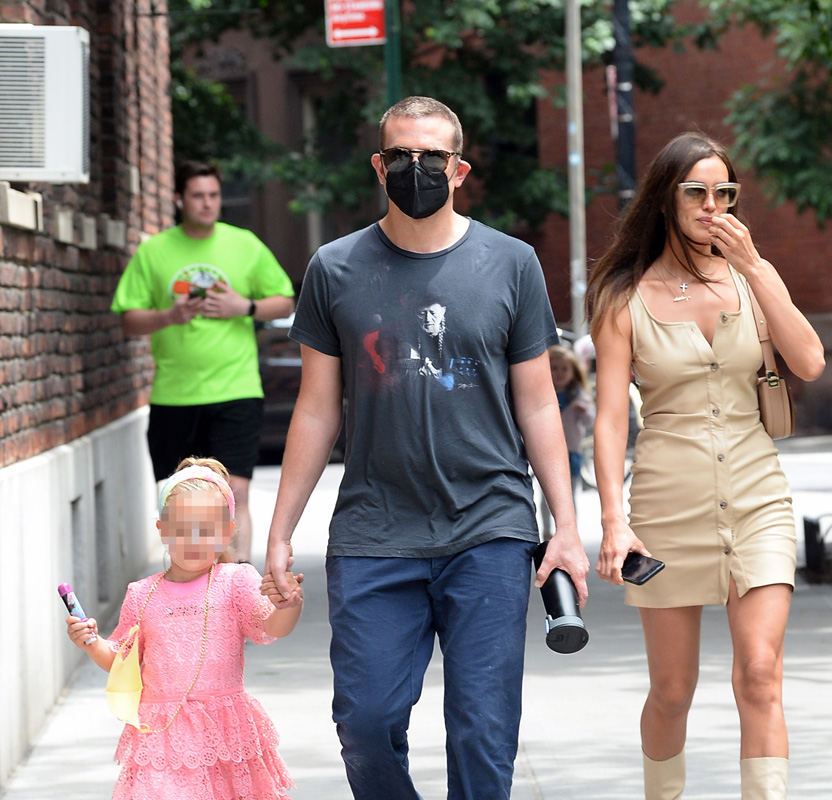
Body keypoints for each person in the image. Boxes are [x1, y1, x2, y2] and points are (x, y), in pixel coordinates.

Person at [264, 95, 589, 800]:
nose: (418, 169)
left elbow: (537, 402)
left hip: (490, 527)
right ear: (380, 165)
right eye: (402, 156)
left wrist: (564, 528)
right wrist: (280, 531)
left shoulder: (512, 263)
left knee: (482, 729)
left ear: (460, 168)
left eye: (432, 157)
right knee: (367, 722)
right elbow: (317, 410)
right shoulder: (335, 267)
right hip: (375, 530)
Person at [586, 132, 825, 799]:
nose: (713, 205)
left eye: (725, 192)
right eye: (697, 192)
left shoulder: (752, 278)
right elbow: (609, 418)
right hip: (666, 504)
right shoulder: (621, 298)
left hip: (758, 496)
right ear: (666, 199)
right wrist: (612, 522)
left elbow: (809, 361)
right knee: (670, 690)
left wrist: (756, 269)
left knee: (759, 670)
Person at [66, 456, 304, 799]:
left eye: (206, 529)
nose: (193, 539)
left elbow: (272, 626)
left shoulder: (235, 581)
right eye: (181, 528)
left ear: (227, 532)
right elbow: (122, 661)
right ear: (162, 529)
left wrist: (288, 604)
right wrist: (91, 642)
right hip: (160, 736)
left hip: (223, 732)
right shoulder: (142, 593)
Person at [111, 161, 296, 561]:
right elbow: (128, 319)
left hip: (236, 390)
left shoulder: (244, 244)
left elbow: (284, 300)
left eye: (213, 195)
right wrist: (168, 316)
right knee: (180, 501)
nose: (208, 203)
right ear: (179, 198)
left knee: (235, 492)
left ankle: (238, 584)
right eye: (198, 195)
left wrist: (242, 305)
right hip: (174, 396)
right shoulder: (154, 251)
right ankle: (194, 593)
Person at [538, 344, 595, 537]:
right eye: (554, 368)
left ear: (573, 371)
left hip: (571, 455)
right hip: (547, 455)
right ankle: (547, 532)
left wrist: (584, 411)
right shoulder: (542, 395)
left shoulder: (578, 395)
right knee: (547, 497)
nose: (559, 373)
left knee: (569, 498)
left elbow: (590, 421)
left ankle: (571, 533)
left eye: (564, 368)